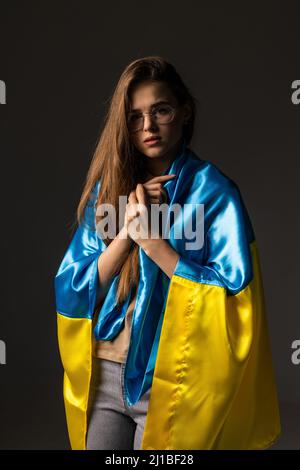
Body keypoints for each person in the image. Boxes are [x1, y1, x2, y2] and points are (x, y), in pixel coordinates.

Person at [54, 55, 281, 450]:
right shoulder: (108, 191)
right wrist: (127, 232)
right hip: (106, 374)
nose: (148, 126)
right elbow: (75, 287)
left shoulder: (216, 195)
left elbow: (233, 301)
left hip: (174, 380)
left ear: (184, 111)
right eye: (135, 116)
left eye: (161, 110)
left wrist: (154, 244)